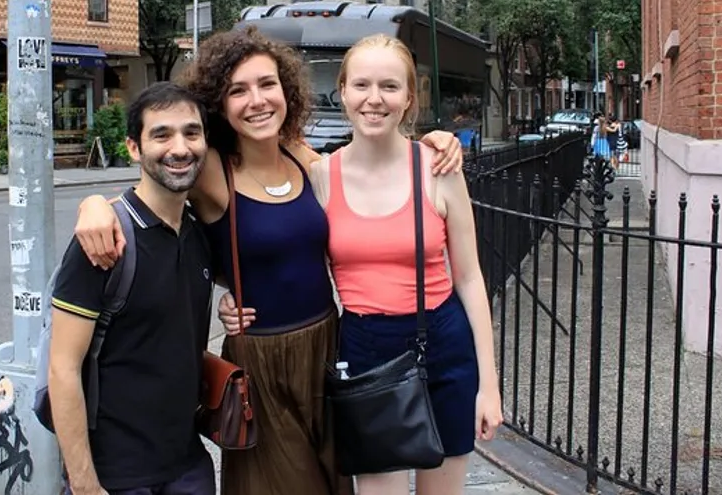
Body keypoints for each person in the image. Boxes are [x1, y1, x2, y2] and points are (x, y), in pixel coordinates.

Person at [72, 27, 464, 495]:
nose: (256, 100)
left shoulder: (300, 156)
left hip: (327, 347)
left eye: (266, 84)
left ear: (286, 91)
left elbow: (368, 169)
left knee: (335, 483)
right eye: (238, 90)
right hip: (263, 363)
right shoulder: (214, 168)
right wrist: (93, 204)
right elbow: (155, 185)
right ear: (219, 103)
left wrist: (432, 142)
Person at [224, 34, 503, 495]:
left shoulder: (438, 168)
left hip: (444, 344)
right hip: (366, 349)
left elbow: (471, 279)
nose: (375, 99)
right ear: (344, 91)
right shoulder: (319, 176)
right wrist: (229, 294)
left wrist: (488, 385)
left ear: (409, 99)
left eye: (390, 87)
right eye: (362, 85)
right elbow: (272, 242)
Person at [49, 82, 215, 495]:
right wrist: (86, 485)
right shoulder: (104, 241)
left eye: (191, 132)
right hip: (117, 476)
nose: (180, 147)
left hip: (189, 466)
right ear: (133, 148)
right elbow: (62, 369)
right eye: (161, 134)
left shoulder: (199, 236)